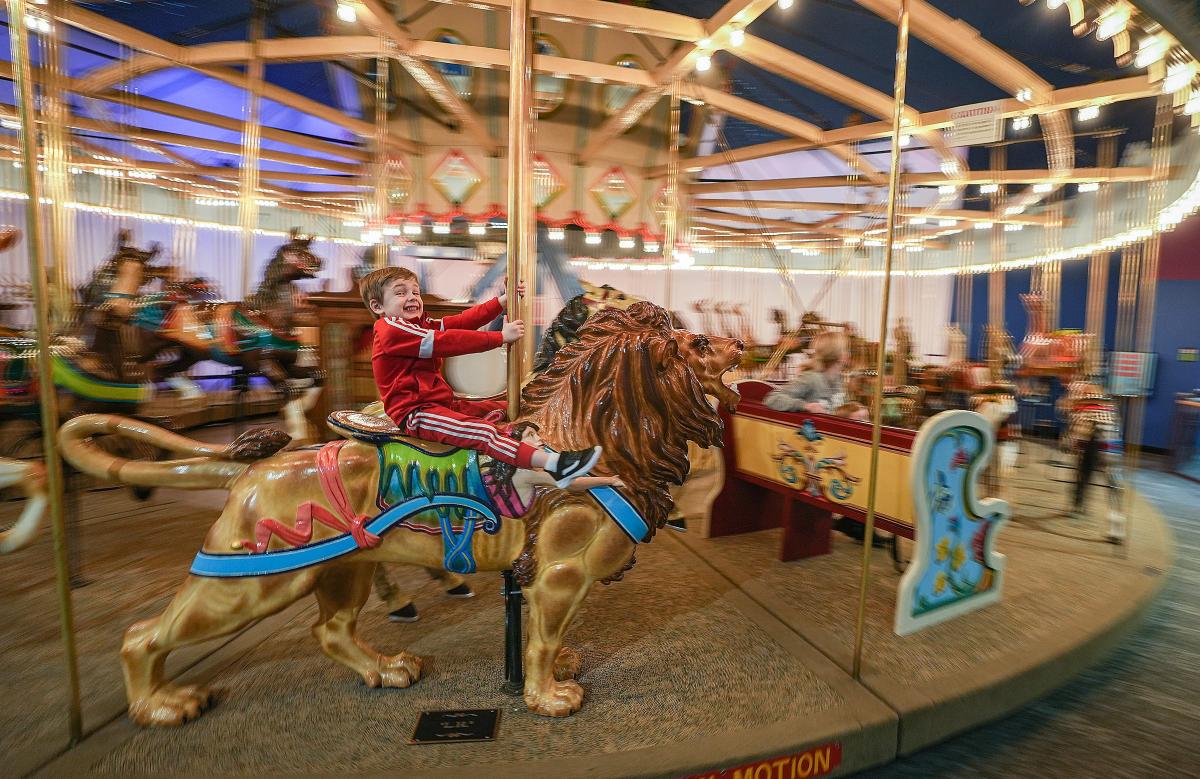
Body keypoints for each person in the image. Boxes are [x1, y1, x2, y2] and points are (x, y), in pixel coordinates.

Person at [359, 266, 601, 487]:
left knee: (507, 407)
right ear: (378, 306)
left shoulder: (418, 325)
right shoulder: (391, 331)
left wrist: (502, 302)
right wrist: (499, 338)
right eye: (401, 293)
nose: (412, 297)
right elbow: (448, 341)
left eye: (416, 292)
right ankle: (556, 465)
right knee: (483, 432)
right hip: (417, 414)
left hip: (440, 403)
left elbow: (460, 323)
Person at [763, 330, 869, 420]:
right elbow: (772, 399)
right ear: (840, 356)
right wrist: (805, 406)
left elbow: (835, 410)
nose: (848, 354)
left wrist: (852, 411)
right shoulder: (811, 378)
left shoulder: (838, 379)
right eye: (846, 350)